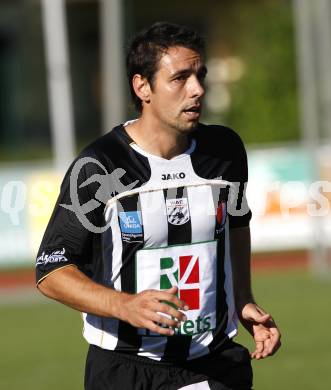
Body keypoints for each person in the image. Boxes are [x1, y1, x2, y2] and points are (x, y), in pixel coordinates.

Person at [36, 21, 281, 390]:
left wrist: (243, 299)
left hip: (213, 364)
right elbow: (51, 270)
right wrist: (124, 306)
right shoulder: (100, 167)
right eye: (180, 78)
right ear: (142, 86)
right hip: (125, 370)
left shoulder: (225, 152)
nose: (197, 89)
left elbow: (237, 223)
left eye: (200, 75)